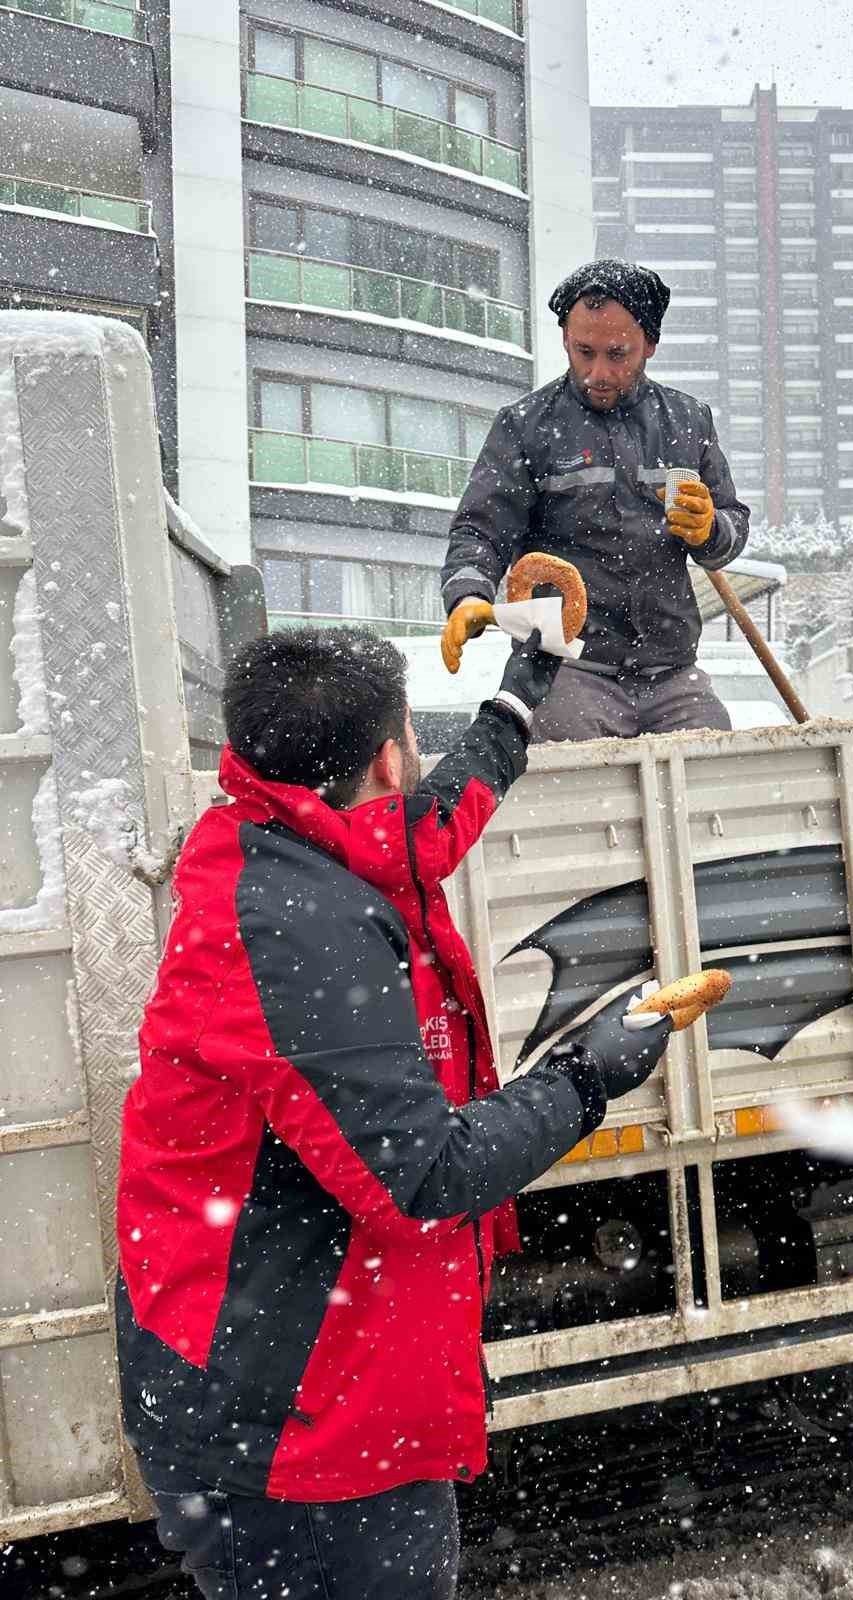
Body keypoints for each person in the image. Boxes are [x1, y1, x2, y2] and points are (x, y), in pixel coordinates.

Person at [115, 625, 672, 1600]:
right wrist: (590, 1075)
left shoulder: (289, 841)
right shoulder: (298, 926)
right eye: (410, 739)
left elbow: (432, 821)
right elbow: (421, 1177)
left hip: (281, 1372)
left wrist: (518, 696)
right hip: (296, 1430)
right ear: (386, 756)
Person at [440, 258, 750, 742]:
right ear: (565, 337)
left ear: (649, 344)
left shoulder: (689, 421)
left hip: (672, 673)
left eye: (617, 354)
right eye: (584, 352)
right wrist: (468, 596)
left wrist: (712, 529)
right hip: (565, 672)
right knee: (581, 803)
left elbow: (729, 534)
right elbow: (481, 530)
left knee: (711, 788)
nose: (597, 372)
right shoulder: (525, 426)